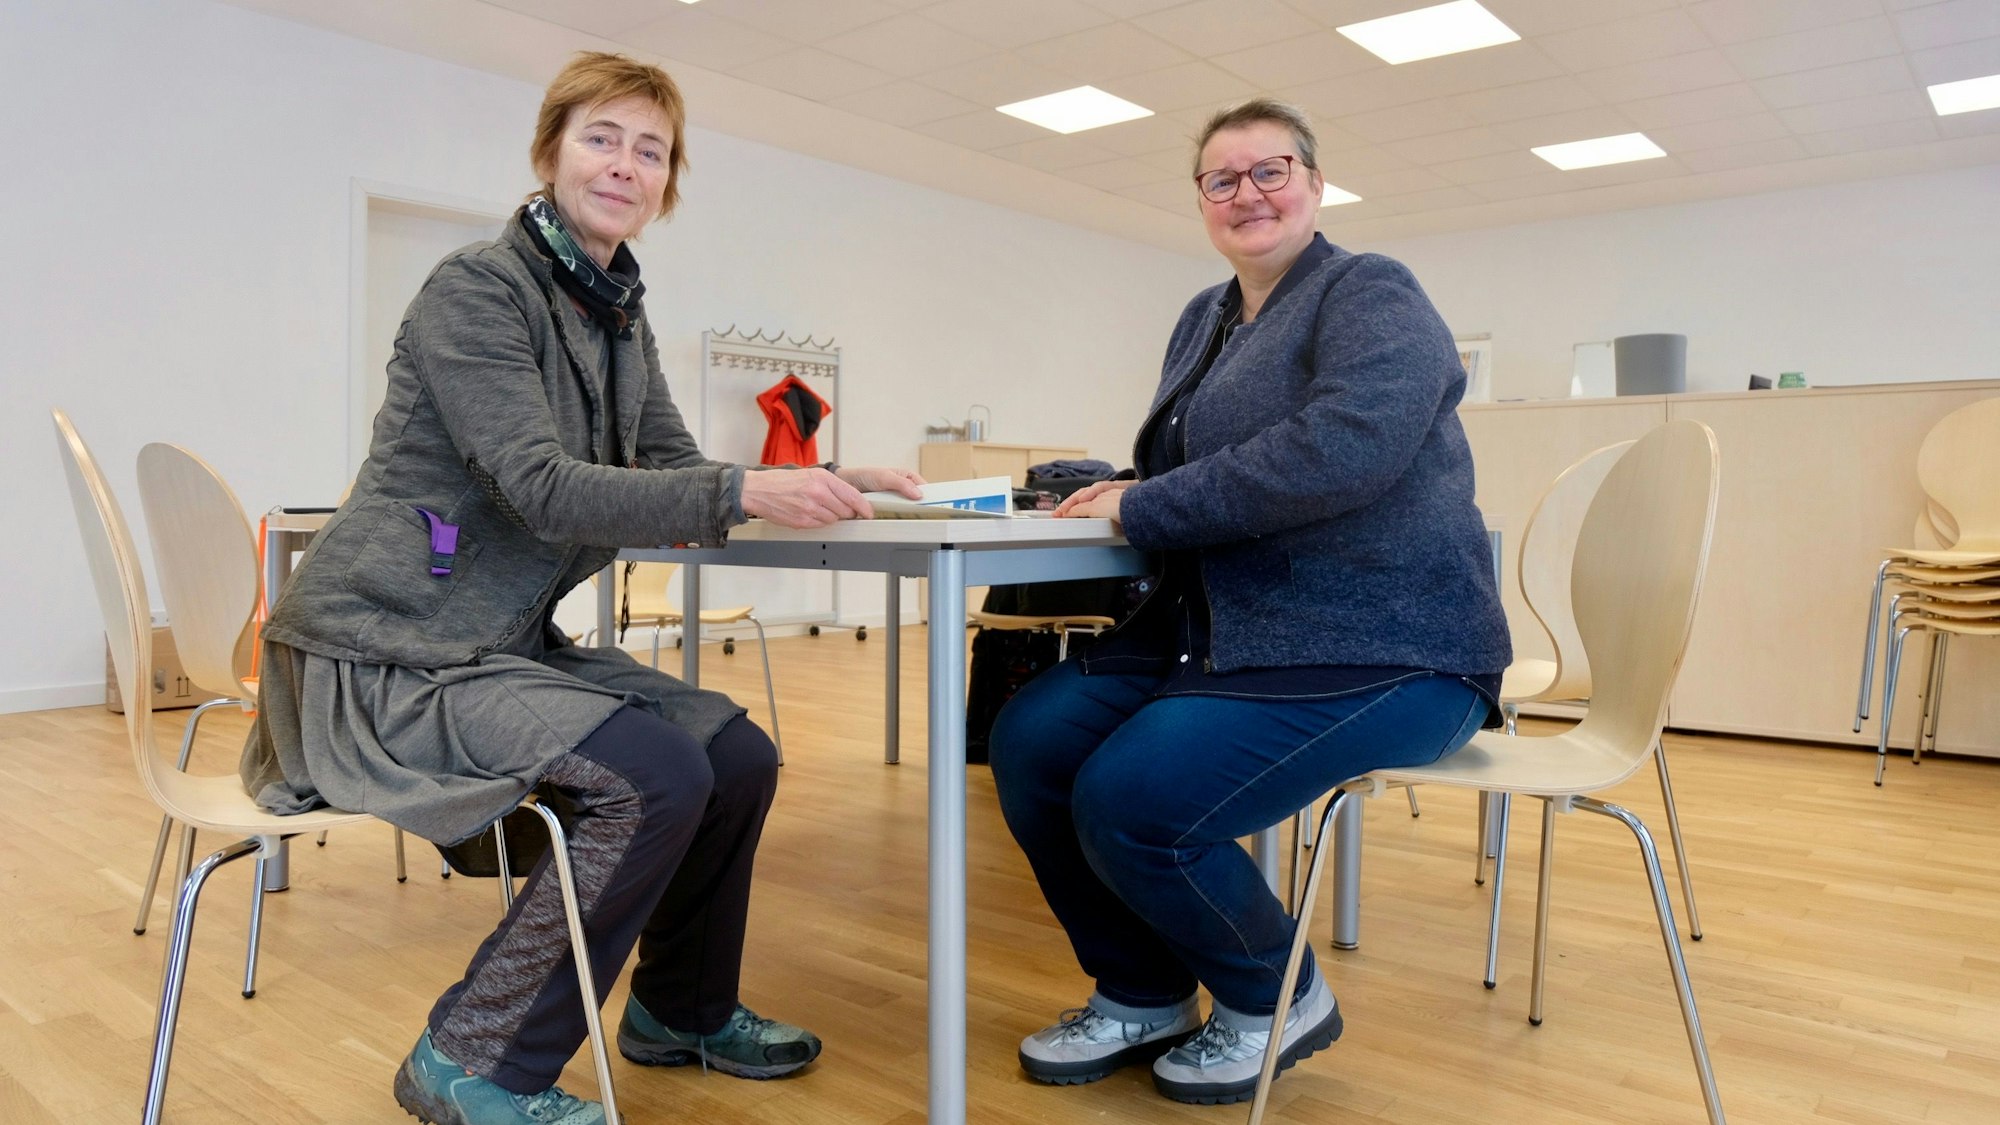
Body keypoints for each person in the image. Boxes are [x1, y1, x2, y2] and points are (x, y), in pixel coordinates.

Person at [240, 52, 923, 1125]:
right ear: (551, 151)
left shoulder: (616, 316)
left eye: (650, 150)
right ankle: (471, 1060)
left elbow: (674, 465)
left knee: (733, 755)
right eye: (602, 137)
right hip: (387, 651)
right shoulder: (477, 289)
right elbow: (541, 488)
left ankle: (680, 1011)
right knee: (650, 775)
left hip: (493, 644)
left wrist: (826, 477)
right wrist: (745, 489)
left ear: (667, 182)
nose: (625, 164)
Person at [988, 97, 1511, 1106]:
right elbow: (1200, 464)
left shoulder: (1368, 292)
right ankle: (1140, 992)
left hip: (1386, 642)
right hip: (1224, 629)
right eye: (1220, 179)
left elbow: (1341, 449)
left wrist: (1147, 503)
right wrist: (1113, 482)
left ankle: (1271, 995)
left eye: (1270, 171)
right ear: (1199, 201)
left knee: (1132, 797)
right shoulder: (1206, 316)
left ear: (1314, 186)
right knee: (1034, 737)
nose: (1247, 194)